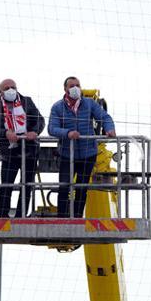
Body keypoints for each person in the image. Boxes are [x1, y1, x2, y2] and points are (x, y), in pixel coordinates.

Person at [48, 76, 116, 218]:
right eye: (72, 86)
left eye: (77, 85)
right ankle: (62, 217)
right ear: (65, 89)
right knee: (64, 187)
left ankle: (78, 217)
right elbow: (52, 129)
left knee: (82, 187)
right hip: (67, 154)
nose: (75, 88)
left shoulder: (90, 104)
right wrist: (68, 133)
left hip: (88, 153)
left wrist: (109, 129)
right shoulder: (57, 107)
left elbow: (104, 117)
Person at [0, 78, 45, 218]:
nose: (11, 90)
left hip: (29, 151)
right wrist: (5, 133)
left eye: (13, 87)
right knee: (6, 185)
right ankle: (3, 215)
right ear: (0, 92)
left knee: (27, 185)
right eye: (7, 88)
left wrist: (34, 132)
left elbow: (40, 120)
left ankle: (21, 214)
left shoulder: (27, 102)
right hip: (9, 152)